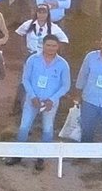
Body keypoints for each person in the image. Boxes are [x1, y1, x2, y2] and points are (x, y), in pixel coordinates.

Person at [7, 34, 71, 170]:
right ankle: (18, 155)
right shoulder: (33, 60)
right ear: (43, 45)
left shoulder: (63, 64)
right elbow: (25, 79)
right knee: (24, 127)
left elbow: (65, 86)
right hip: (32, 101)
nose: (51, 48)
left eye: (54, 46)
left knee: (47, 129)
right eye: (48, 45)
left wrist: (52, 100)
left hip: (50, 103)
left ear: (58, 47)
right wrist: (32, 97)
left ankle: (41, 157)